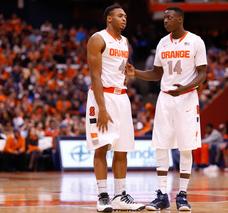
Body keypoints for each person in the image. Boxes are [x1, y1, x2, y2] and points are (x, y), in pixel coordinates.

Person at [126, 6, 207, 211]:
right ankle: (162, 195)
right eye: (164, 18)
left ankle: (182, 195)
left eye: (169, 18)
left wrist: (186, 88)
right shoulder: (163, 42)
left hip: (187, 98)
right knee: (161, 145)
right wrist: (136, 72)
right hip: (165, 98)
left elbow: (202, 74)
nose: (165, 21)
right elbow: (156, 74)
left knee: (185, 146)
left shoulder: (196, 41)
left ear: (180, 20)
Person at [86, 5, 144, 212]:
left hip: (122, 96)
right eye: (120, 16)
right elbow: (95, 75)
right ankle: (102, 197)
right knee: (102, 147)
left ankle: (120, 195)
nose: (124, 19)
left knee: (122, 149)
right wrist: (102, 108)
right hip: (102, 97)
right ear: (109, 18)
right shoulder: (98, 39)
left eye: (126, 16)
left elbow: (119, 68)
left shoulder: (125, 41)